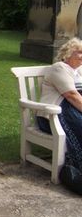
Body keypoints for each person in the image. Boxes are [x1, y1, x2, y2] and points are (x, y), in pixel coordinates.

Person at [37, 37, 82, 170]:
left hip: (73, 110)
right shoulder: (59, 68)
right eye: (79, 52)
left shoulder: (78, 71)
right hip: (54, 116)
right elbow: (71, 96)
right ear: (67, 53)